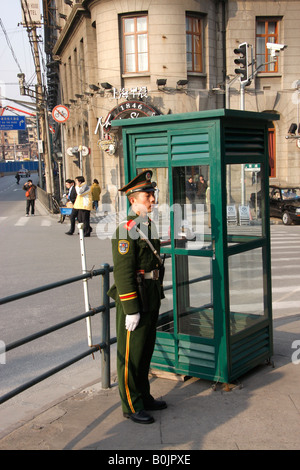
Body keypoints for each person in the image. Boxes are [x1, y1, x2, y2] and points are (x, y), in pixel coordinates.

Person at [108, 170, 167, 425]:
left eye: (153, 194)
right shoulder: (127, 229)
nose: (152, 199)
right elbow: (123, 273)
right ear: (133, 199)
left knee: (145, 351)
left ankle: (143, 395)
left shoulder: (147, 225)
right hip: (136, 299)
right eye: (147, 195)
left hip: (151, 295)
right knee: (130, 355)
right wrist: (131, 308)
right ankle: (131, 405)